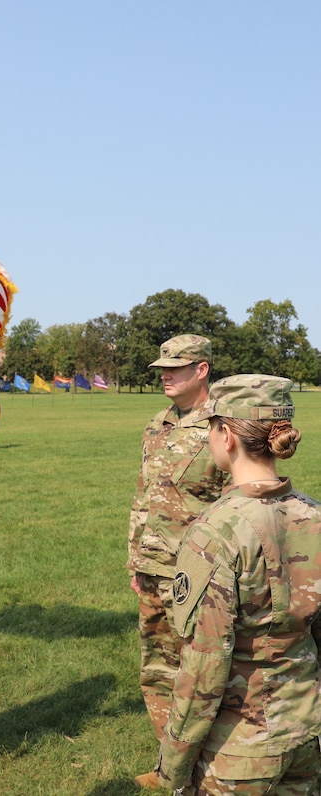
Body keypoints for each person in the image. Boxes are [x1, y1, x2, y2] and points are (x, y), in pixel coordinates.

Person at [158, 375, 321, 795]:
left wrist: (174, 767)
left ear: (226, 436)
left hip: (240, 750)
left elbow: (203, 668)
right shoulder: (315, 516)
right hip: (308, 735)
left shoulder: (216, 532)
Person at [128, 334, 226, 790]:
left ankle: (210, 767)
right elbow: (143, 497)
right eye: (163, 367)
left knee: (203, 674)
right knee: (158, 668)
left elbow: (236, 503)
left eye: (176, 367)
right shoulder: (159, 423)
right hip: (153, 569)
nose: (166, 374)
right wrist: (135, 559)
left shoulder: (225, 426)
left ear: (201, 369)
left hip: (199, 574)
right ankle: (170, 766)